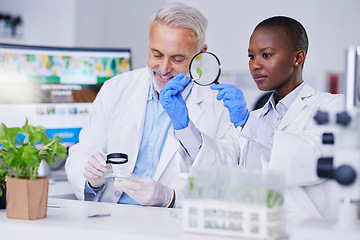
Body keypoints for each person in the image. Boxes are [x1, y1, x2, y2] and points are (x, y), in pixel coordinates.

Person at [65, 2, 238, 208]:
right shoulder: (116, 88)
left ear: (201, 54)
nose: (164, 69)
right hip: (110, 216)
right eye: (157, 54)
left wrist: (170, 198)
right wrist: (90, 177)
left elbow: (226, 181)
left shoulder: (220, 105)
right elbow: (80, 152)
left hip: (170, 224)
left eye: (177, 58)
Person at [210, 16, 344, 228]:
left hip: (305, 232)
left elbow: (312, 158)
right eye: (251, 56)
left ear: (298, 57)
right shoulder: (253, 118)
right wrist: (184, 127)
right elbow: (217, 161)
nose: (255, 65)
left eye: (266, 55)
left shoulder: (333, 107)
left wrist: (247, 124)